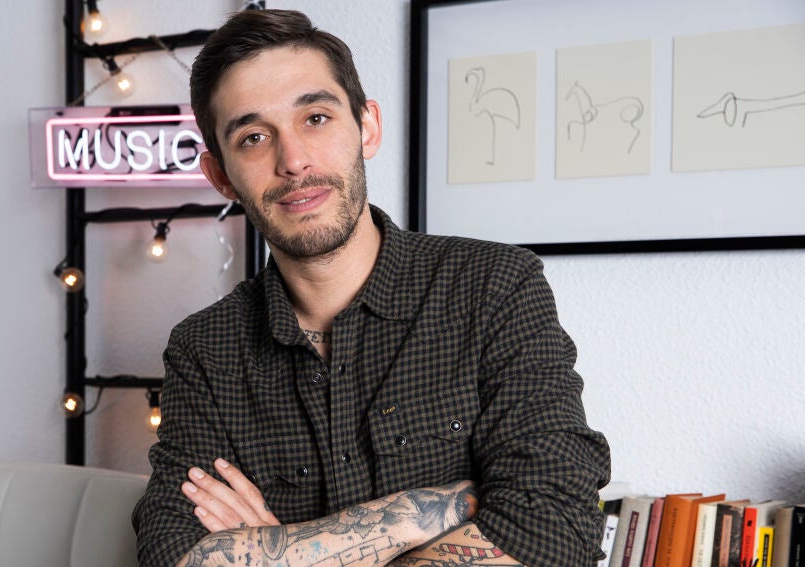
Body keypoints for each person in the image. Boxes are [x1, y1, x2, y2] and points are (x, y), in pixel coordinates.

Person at [133, 9, 611, 567]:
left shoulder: (493, 287)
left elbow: (555, 526)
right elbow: (171, 554)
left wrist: (281, 551)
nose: (293, 161)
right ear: (220, 176)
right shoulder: (204, 349)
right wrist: (411, 516)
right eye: (254, 137)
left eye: (316, 118)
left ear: (367, 127)